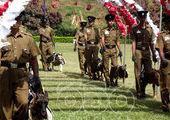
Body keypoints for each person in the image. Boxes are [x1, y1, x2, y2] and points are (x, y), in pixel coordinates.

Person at [0, 12, 41, 120]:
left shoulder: (28, 39)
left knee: (23, 102)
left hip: (21, 74)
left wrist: (36, 77)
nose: (15, 22)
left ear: (20, 21)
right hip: (4, 73)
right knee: (5, 104)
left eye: (17, 19)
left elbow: (33, 59)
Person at [131, 11, 157, 98]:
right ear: (138, 18)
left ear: (145, 18)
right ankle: (139, 92)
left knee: (149, 72)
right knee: (137, 73)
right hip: (138, 51)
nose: (142, 20)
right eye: (141, 18)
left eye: (144, 18)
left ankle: (143, 87)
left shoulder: (149, 29)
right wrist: (133, 54)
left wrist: (154, 54)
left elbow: (151, 43)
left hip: (147, 52)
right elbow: (134, 42)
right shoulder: (135, 29)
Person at [100, 14, 122, 87]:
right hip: (106, 49)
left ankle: (111, 78)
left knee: (115, 65)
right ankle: (108, 82)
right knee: (106, 67)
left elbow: (118, 42)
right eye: (109, 21)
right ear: (107, 22)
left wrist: (120, 50)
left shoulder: (116, 31)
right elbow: (102, 39)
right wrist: (103, 47)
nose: (111, 22)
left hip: (113, 49)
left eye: (112, 21)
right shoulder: (103, 30)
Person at [156, 15, 170, 112]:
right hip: (167, 61)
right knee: (166, 85)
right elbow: (160, 49)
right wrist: (163, 59)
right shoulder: (162, 35)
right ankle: (165, 104)